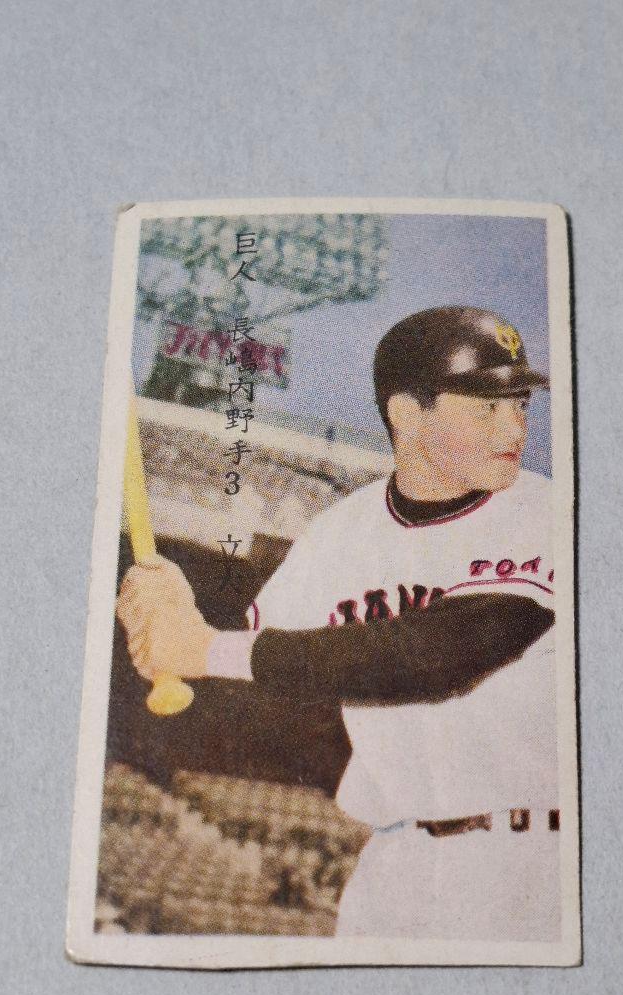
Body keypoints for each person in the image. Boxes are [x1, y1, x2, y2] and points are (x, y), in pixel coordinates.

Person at [117, 306, 562, 941]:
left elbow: (436, 658)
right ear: (407, 415)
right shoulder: (339, 534)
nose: (514, 427)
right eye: (486, 407)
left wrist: (203, 647)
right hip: (394, 864)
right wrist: (165, 611)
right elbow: (263, 657)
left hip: (527, 856)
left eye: (519, 405)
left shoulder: (543, 512)